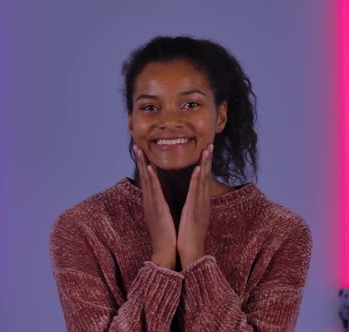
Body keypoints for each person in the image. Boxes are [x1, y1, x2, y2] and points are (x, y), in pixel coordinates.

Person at [49, 35, 312, 331]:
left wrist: (195, 259)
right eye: (150, 107)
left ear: (220, 116)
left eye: (190, 104)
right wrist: (161, 259)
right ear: (131, 121)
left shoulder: (279, 232)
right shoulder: (83, 227)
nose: (170, 121)